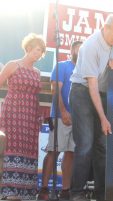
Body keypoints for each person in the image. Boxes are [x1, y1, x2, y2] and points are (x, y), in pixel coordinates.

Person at [69, 14, 113, 201]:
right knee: (86, 144)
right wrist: (103, 118)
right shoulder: (90, 46)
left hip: (104, 94)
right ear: (106, 27)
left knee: (102, 146)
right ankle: (76, 193)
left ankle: (102, 194)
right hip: (83, 92)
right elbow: (92, 87)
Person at [0, 33, 46, 200]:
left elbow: (36, 96)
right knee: (11, 146)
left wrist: (39, 116)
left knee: (28, 149)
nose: (38, 54)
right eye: (36, 50)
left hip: (30, 114)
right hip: (12, 112)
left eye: (41, 51)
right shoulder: (13, 65)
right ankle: (10, 190)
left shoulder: (37, 72)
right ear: (28, 49)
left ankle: (25, 191)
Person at [37, 41, 82, 200]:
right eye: (78, 47)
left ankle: (65, 191)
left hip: (79, 120)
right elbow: (55, 89)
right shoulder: (62, 66)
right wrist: (63, 112)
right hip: (59, 117)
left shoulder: (85, 70)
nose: (81, 50)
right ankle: (43, 190)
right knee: (53, 152)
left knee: (71, 154)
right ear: (72, 50)